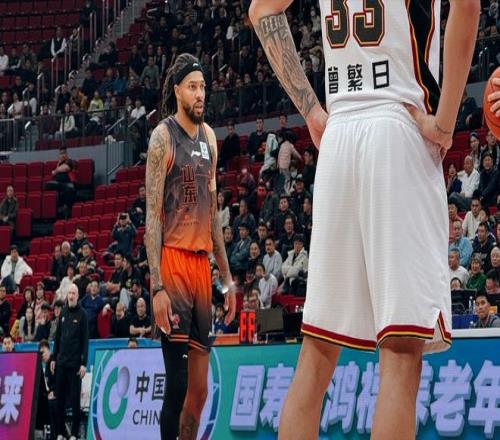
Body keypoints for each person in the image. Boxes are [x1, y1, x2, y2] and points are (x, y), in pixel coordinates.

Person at [250, 1, 479, 439]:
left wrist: (311, 110)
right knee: (400, 355)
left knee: (316, 353)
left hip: (339, 133)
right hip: (399, 127)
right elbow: (467, 6)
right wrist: (447, 122)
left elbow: (262, 11)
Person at [145, 53, 236, 440]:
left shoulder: (210, 138)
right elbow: (152, 216)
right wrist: (157, 287)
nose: (200, 94)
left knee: (198, 392)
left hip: (201, 269)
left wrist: (227, 280)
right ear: (177, 91)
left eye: (203, 87)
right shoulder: (163, 137)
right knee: (178, 382)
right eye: (193, 87)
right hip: (173, 264)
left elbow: (213, 215)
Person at [51, 283, 88, 440]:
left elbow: (85, 340)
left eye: (74, 293)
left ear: (78, 296)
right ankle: (60, 432)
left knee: (74, 401)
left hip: (74, 365)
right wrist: (54, 358)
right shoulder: (63, 312)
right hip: (61, 363)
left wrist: (84, 363)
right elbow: (57, 337)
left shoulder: (83, 314)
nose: (71, 296)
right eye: (69, 293)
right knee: (59, 400)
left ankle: (73, 433)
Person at [37, 340, 57, 440]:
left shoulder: (55, 362)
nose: (42, 356)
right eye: (40, 354)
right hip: (50, 394)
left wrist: (55, 392)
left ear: (49, 350)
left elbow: (62, 382)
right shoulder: (45, 367)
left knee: (49, 404)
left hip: (61, 394)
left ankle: (55, 435)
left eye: (43, 352)